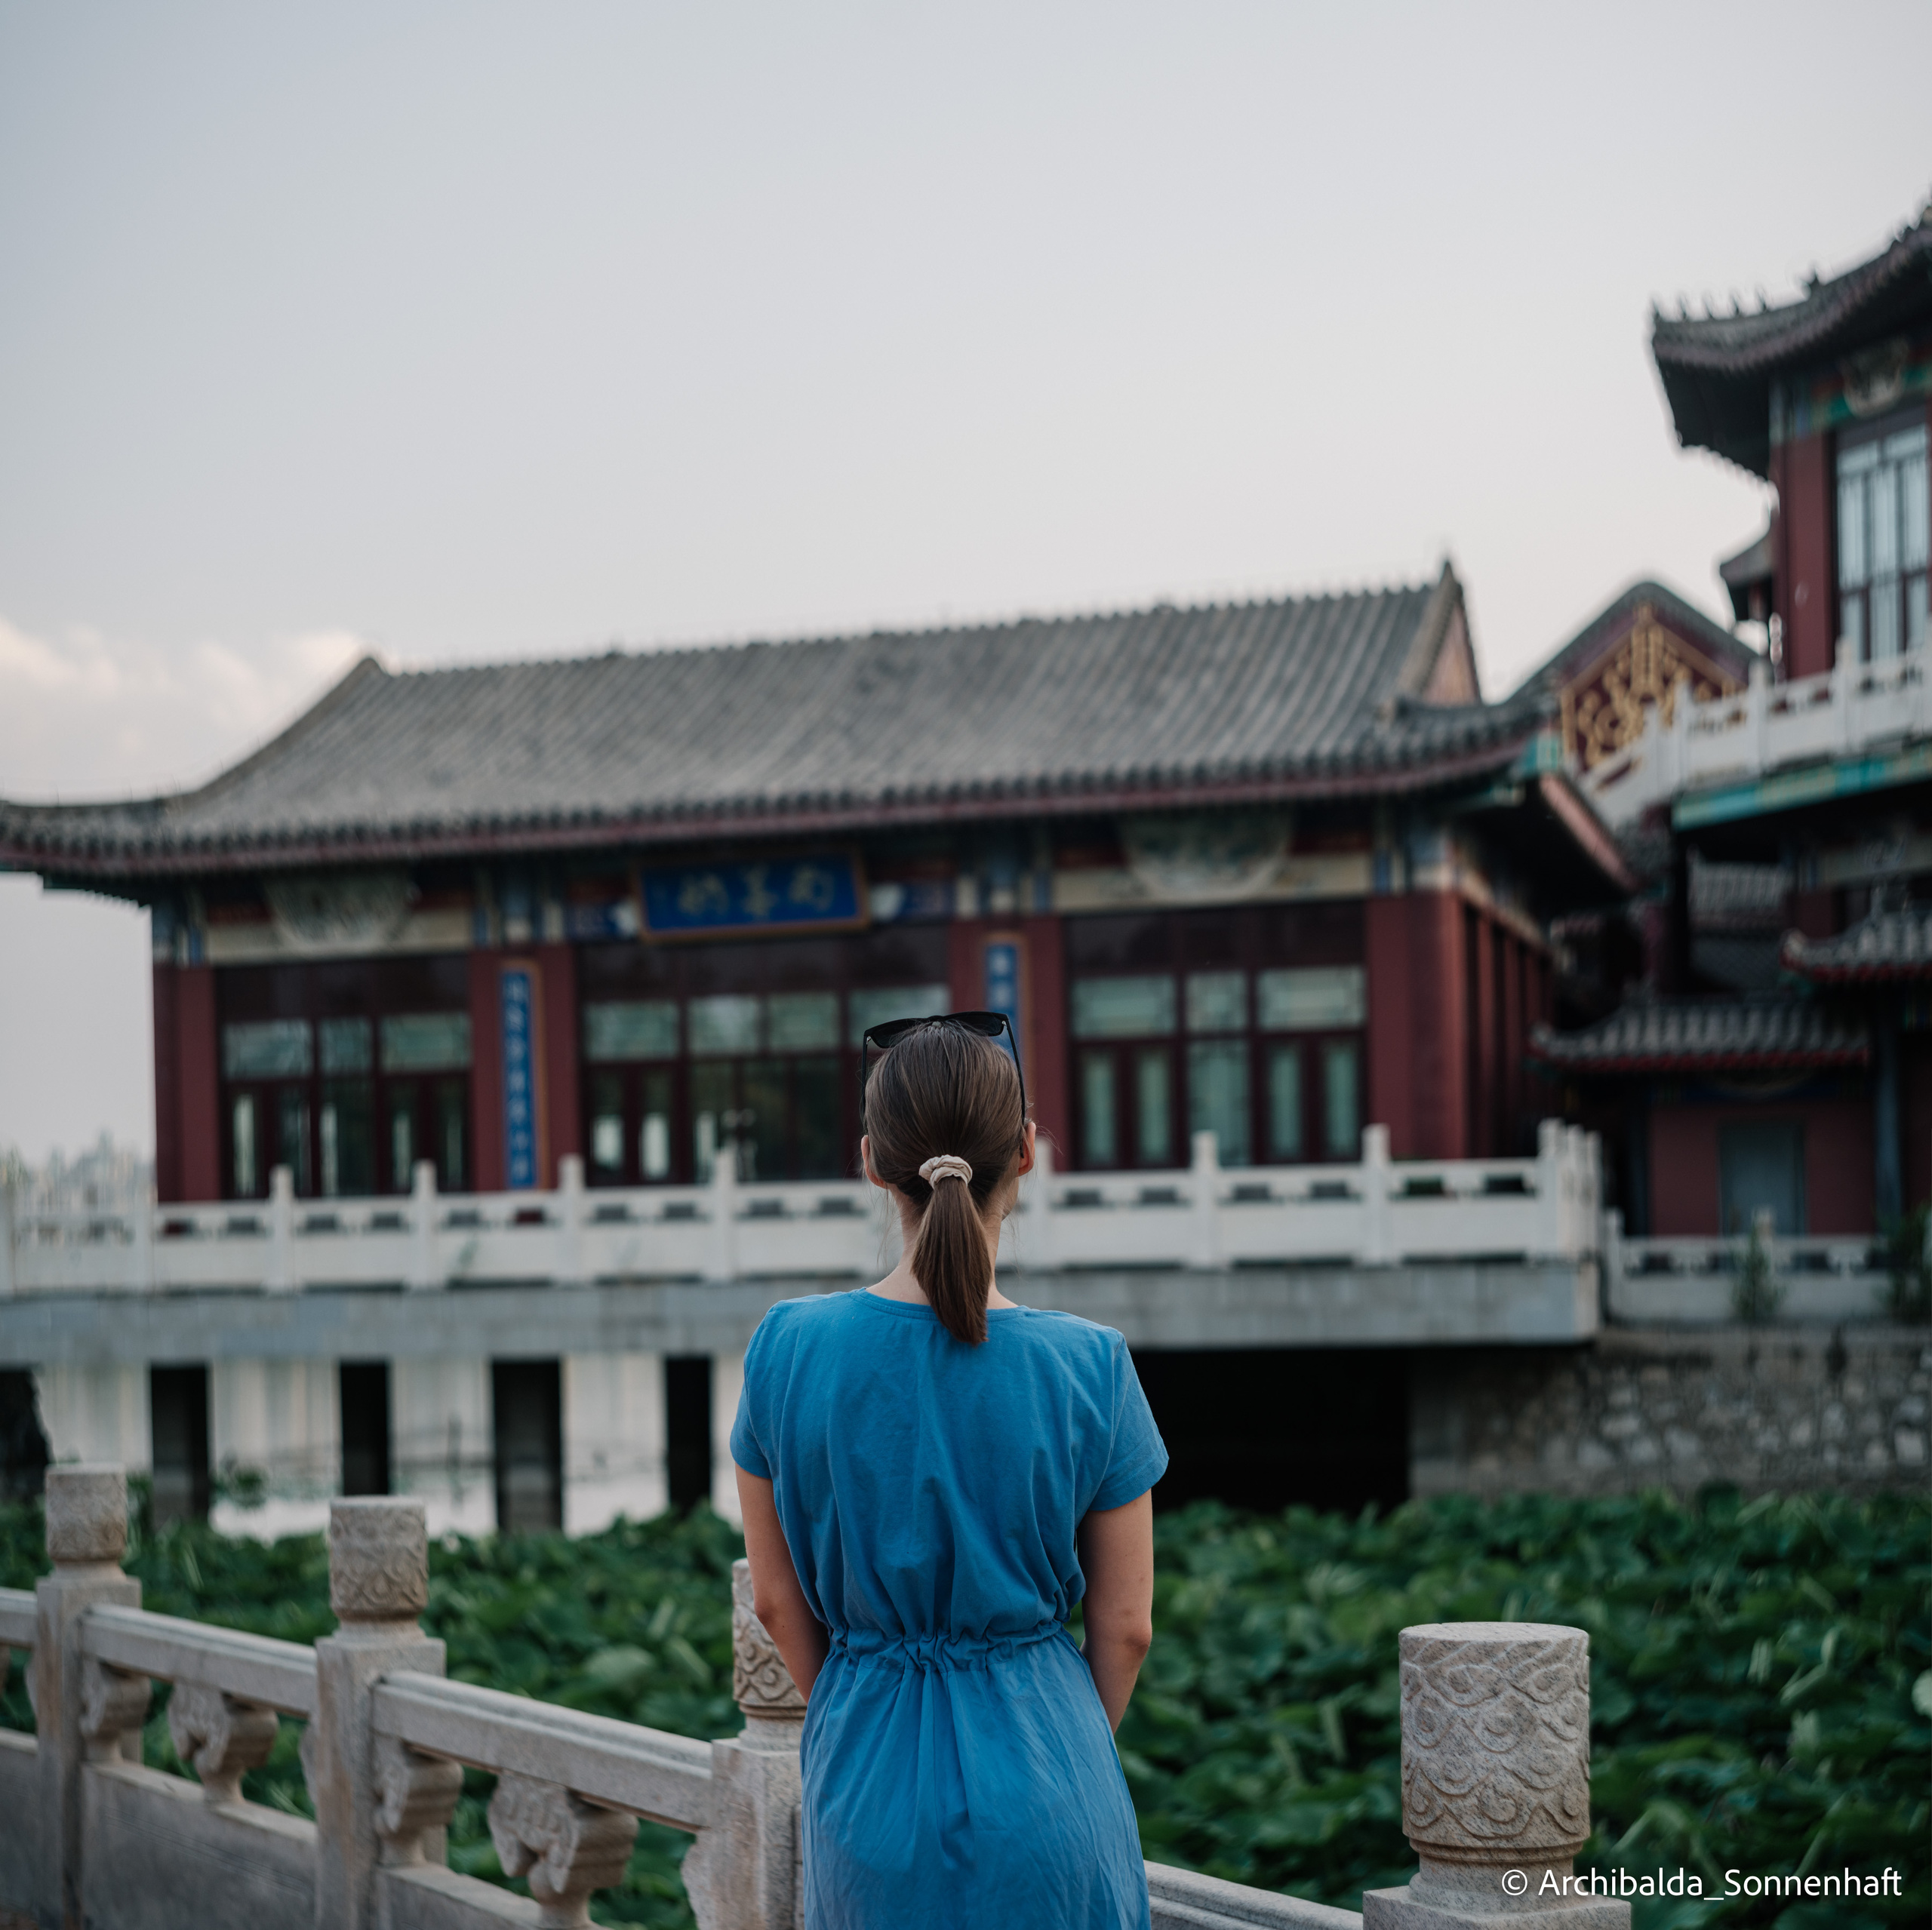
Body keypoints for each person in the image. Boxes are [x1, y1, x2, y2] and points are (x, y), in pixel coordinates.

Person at [731, 1014, 1168, 1930]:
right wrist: (1050, 1747)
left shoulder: (787, 1347)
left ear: (871, 1161)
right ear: (1026, 1151)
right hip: (1052, 1780)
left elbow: (774, 1601)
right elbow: (1126, 1628)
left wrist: (868, 1702)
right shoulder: (1090, 1364)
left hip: (866, 1784)